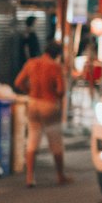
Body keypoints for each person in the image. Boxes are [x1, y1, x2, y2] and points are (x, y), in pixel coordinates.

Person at [15, 39, 71, 187]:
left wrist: (30, 91)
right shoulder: (55, 67)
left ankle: (29, 178)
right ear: (57, 54)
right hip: (49, 104)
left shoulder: (31, 63)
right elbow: (61, 90)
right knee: (55, 141)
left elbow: (18, 82)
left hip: (33, 102)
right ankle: (60, 176)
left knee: (32, 139)